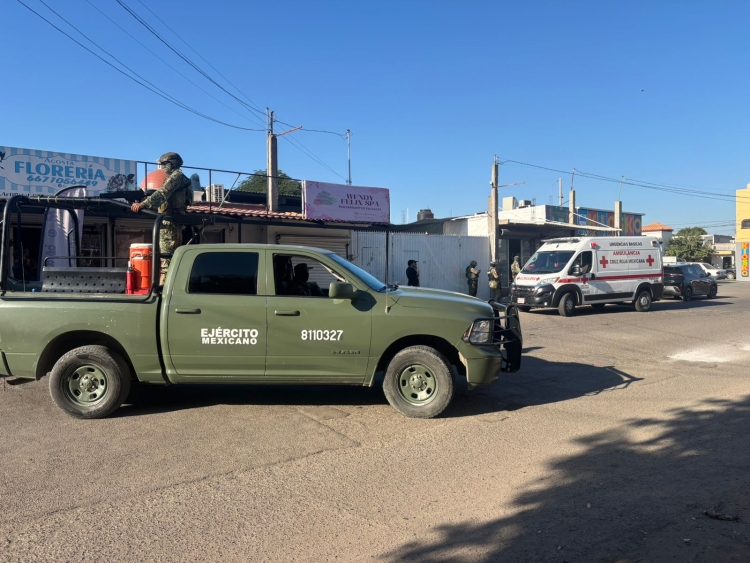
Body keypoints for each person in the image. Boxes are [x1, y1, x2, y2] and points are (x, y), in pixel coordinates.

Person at [130, 152, 192, 284]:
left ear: (171, 164)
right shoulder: (180, 178)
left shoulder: (176, 177)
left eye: (164, 164)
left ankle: (164, 288)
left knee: (166, 260)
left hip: (170, 224)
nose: (163, 168)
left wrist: (143, 204)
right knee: (167, 258)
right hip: (172, 222)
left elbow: (163, 193)